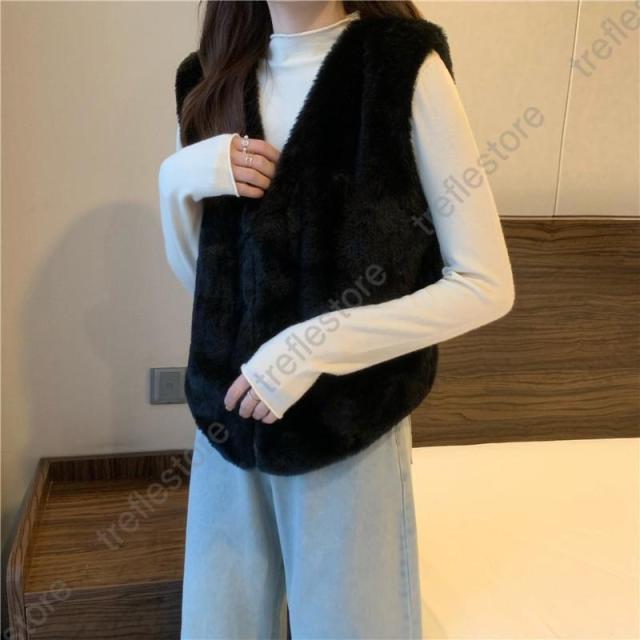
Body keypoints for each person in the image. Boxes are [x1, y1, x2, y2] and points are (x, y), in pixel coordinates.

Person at [158, 1, 515, 638]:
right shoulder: (206, 80)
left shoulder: (401, 65)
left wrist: (312, 347)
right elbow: (207, 288)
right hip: (226, 421)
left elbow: (485, 284)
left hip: (348, 432)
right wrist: (175, 182)